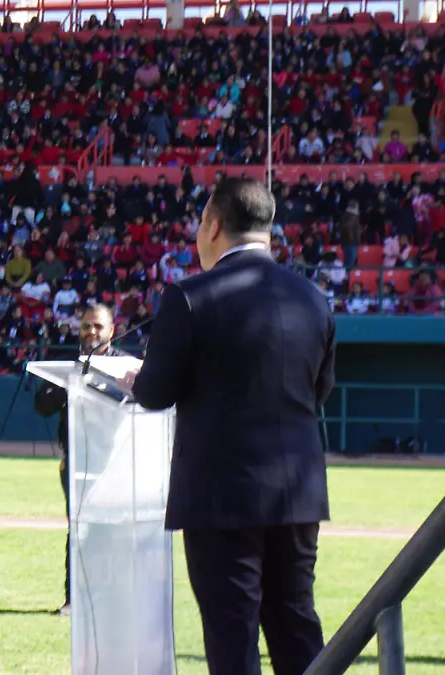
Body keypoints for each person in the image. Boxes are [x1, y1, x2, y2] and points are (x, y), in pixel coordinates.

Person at [123, 178, 336, 675]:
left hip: (221, 498)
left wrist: (137, 378)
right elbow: (318, 392)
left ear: (214, 225)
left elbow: (155, 393)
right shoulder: (314, 298)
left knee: (231, 633)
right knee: (296, 626)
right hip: (296, 495)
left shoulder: (189, 296)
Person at [32, 304, 125, 616]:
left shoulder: (127, 366)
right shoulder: (68, 367)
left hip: (118, 463)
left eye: (98, 327)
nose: (91, 333)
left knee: (115, 533)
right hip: (76, 463)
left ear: (111, 331)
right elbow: (42, 406)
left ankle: (114, 599)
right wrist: (73, 382)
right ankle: (75, 600)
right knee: (80, 531)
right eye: (86, 327)